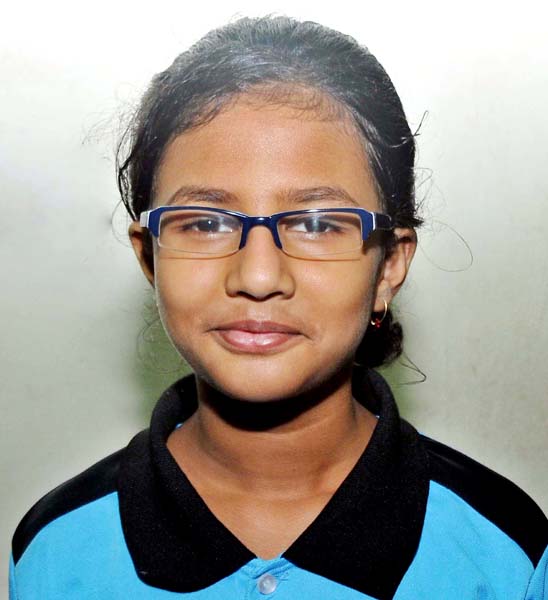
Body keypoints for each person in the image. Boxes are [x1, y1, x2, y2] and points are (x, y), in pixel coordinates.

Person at [9, 15, 547, 600]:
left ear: (389, 265)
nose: (258, 277)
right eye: (205, 222)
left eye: (318, 223)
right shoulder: (56, 552)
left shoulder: (505, 553)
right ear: (150, 257)